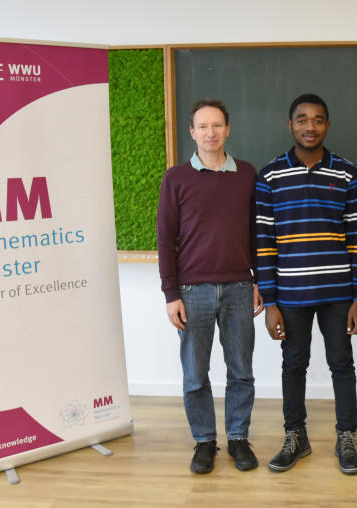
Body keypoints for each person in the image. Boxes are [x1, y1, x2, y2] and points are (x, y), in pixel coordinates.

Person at [256, 94, 357, 474]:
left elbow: (356, 239)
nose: (309, 126)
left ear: (327, 126)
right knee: (293, 365)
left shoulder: (348, 173)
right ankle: (295, 436)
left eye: (318, 120)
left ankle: (346, 436)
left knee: (342, 364)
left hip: (338, 293)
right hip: (291, 295)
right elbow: (264, 243)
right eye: (302, 119)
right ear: (290, 125)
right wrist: (270, 302)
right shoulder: (270, 175)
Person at [156, 99, 263, 475]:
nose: (210, 133)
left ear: (228, 129)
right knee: (195, 375)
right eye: (203, 126)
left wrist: (257, 281)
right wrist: (171, 294)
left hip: (238, 287)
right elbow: (165, 239)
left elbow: (256, 234)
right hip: (192, 292)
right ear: (192, 132)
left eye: (217, 125)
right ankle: (204, 442)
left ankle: (238, 438)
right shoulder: (176, 179)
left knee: (241, 371)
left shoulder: (247, 175)